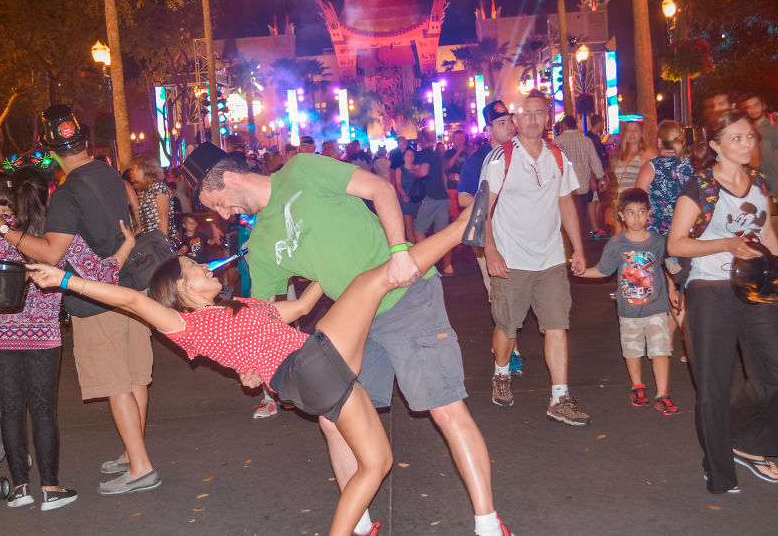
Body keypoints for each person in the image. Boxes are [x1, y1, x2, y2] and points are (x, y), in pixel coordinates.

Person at [25, 200, 511, 536]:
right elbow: (131, 298)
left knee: (375, 456)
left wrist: (322, 273)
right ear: (182, 292)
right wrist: (68, 279)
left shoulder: (243, 308)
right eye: (194, 271)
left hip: (305, 376)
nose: (204, 268)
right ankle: (464, 226)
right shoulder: (186, 326)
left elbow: (299, 310)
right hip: (308, 367)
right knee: (380, 281)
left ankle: (355, 526)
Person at [184, 142, 505, 536]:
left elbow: (381, 190)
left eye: (214, 201)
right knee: (332, 420)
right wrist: (249, 364)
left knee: (444, 409)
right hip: (356, 325)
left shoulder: (301, 170)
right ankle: (360, 528)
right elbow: (263, 317)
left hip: (408, 297)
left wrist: (400, 250)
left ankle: (489, 526)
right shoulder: (261, 242)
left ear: (229, 178)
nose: (219, 214)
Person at [0, 105, 159, 496]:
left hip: (96, 299)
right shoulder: (111, 175)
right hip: (131, 289)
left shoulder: (68, 193)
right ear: (84, 140)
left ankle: (141, 466)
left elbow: (51, 254)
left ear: (51, 149)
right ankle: (134, 452)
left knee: (116, 383)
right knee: (134, 376)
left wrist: (5, 231)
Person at [668, 109, 778, 494]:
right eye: (737, 138)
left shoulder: (760, 182)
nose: (747, 144)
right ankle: (718, 468)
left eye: (750, 136)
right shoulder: (701, 188)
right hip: (710, 290)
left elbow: (766, 233)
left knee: (773, 370)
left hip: (756, 289)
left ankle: (745, 441)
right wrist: (729, 244)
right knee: (713, 386)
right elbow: (676, 243)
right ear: (714, 145)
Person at [481, 91, 591, 424]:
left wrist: (578, 249)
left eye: (539, 113)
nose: (532, 119)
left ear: (547, 119)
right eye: (526, 113)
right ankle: (501, 372)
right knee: (508, 325)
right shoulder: (501, 158)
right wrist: (490, 250)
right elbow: (482, 209)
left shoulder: (557, 156)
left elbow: (566, 204)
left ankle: (560, 397)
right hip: (511, 258)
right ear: (516, 120)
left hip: (551, 258)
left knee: (557, 325)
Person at [577, 188, 679, 415]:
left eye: (642, 212)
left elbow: (669, 267)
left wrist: (673, 288)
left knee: (660, 349)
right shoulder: (616, 244)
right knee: (632, 350)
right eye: (631, 213)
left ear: (649, 214)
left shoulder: (659, 242)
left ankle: (663, 394)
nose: (637, 218)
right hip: (629, 309)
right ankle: (638, 387)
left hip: (656, 307)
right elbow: (603, 271)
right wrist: (581, 272)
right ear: (621, 215)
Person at [458, 101, 522, 375]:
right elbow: (462, 196)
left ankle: (506, 346)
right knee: (500, 295)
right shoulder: (480, 158)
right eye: (500, 123)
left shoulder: (526, 151)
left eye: (509, 120)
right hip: (491, 239)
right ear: (488, 129)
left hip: (524, 235)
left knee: (520, 295)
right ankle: (511, 352)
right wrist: (487, 206)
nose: (508, 126)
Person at [634, 120, 694, 356]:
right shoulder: (690, 167)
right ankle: (668, 342)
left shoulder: (653, 166)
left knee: (668, 290)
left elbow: (638, 200)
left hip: (660, 236)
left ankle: (692, 344)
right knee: (678, 288)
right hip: (687, 234)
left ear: (659, 141)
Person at [553, 115, 607, 236]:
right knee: (581, 218)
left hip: (565, 188)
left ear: (564, 126)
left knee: (567, 219)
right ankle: (580, 240)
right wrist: (601, 179)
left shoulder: (557, 142)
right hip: (583, 186)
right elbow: (595, 161)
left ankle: (572, 244)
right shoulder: (586, 141)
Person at [413, 129, 453, 275]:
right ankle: (448, 267)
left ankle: (428, 264)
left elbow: (423, 172)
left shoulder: (425, 152)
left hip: (430, 196)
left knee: (418, 230)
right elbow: (442, 174)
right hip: (443, 197)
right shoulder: (437, 154)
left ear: (422, 138)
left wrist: (412, 171)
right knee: (443, 234)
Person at [606, 120, 656, 234]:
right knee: (619, 243)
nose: (632, 133)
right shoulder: (620, 154)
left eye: (635, 130)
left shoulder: (647, 154)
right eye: (629, 130)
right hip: (620, 204)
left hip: (636, 206)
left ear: (641, 133)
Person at [740, 93, 778, 198]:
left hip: (774, 188)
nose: (753, 110)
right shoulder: (745, 131)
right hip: (755, 190)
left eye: (756, 105)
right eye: (749, 107)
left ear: (764, 106)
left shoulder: (773, 129)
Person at [129, 154, 170, 236]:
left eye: (135, 168)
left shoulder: (158, 188)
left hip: (158, 242)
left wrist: (161, 246)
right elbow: (145, 223)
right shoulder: (145, 190)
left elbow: (163, 220)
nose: (132, 172)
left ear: (144, 169)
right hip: (149, 241)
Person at [586, 114, 611, 239]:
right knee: (594, 202)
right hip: (594, 175)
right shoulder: (589, 138)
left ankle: (596, 227)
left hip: (599, 174)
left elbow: (601, 157)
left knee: (597, 202)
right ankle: (594, 229)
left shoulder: (594, 138)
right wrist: (594, 177)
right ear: (600, 123)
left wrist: (604, 174)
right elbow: (590, 159)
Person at [392, 147, 419, 242]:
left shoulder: (418, 168)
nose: (410, 157)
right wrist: (404, 195)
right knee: (408, 226)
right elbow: (398, 185)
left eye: (412, 155)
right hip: (406, 200)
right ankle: (413, 247)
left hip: (417, 199)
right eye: (408, 155)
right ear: (404, 157)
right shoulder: (399, 170)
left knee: (418, 226)